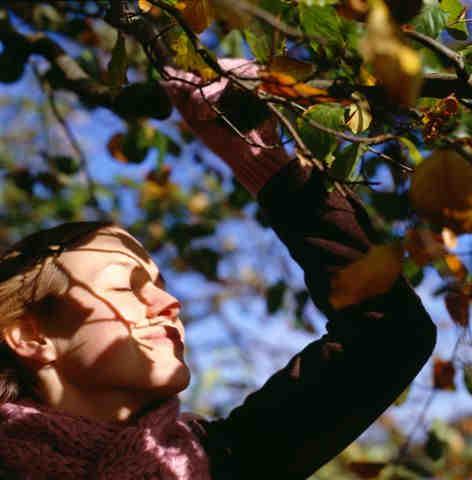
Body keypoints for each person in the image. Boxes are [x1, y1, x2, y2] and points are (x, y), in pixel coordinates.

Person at [0, 60, 436, 480]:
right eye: (126, 288)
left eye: (160, 284)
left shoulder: (227, 459)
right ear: (30, 335)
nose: (170, 303)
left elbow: (390, 334)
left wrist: (266, 162)